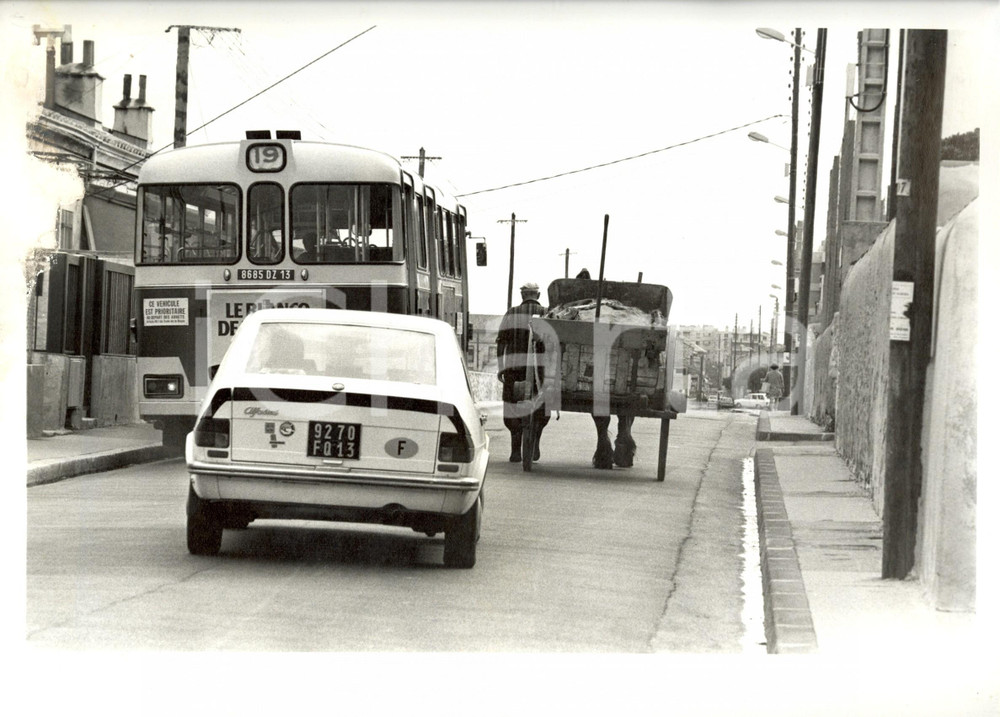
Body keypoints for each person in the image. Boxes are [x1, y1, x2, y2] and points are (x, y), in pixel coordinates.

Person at [496, 282, 550, 463]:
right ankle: (534, 444)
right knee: (542, 409)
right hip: (539, 373)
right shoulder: (546, 313)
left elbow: (501, 342)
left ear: (522, 295)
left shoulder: (511, 313)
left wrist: (501, 367)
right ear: (538, 295)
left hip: (513, 371)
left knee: (511, 409)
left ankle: (515, 450)